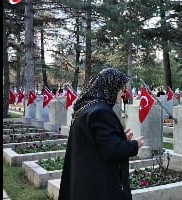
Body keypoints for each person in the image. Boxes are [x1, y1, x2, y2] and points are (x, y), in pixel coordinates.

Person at [58, 68, 145, 200]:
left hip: (85, 178)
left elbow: (94, 142)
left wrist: (121, 138)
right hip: (98, 185)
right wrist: (134, 145)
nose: (123, 94)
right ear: (110, 87)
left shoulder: (88, 107)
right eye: (121, 89)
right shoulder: (101, 112)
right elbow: (112, 151)